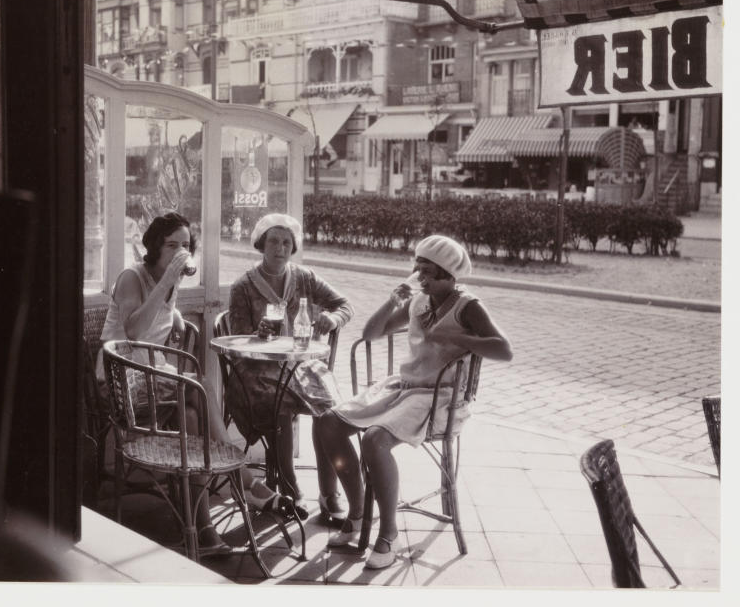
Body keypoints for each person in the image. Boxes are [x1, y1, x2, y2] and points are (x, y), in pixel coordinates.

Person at [313, 235, 512, 569]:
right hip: (406, 388)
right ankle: (359, 512)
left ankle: (388, 534)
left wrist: (458, 337)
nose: (420, 276)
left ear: (448, 273)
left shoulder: (468, 306)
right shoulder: (420, 301)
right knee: (327, 422)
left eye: (428, 271)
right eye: (417, 268)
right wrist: (392, 302)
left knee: (375, 439)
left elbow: (504, 350)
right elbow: (371, 334)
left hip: (442, 397)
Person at [97, 212, 281, 556]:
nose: (179, 251)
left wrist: (177, 314)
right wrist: (167, 281)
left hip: (152, 376)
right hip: (121, 380)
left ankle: (202, 530)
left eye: (185, 245)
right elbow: (134, 330)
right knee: (201, 386)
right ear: (154, 247)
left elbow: (159, 318)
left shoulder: (171, 281)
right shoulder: (131, 277)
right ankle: (243, 478)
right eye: (171, 245)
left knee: (194, 423)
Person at [226, 213, 354, 521]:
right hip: (257, 371)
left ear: (293, 246)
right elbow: (237, 344)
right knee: (279, 407)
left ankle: (328, 491)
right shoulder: (243, 286)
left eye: (287, 242)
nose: (280, 248)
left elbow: (344, 305)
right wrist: (257, 336)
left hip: (300, 367)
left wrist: (333, 318)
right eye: (273, 241)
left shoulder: (304, 278)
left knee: (329, 412)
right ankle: (289, 486)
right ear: (261, 244)